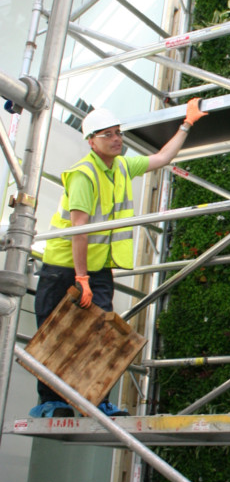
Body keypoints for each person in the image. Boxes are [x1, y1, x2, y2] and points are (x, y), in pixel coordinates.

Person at [29, 99, 207, 419]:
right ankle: (50, 402)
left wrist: (187, 123)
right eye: (107, 134)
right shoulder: (84, 174)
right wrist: (81, 278)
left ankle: (95, 400)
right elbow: (79, 232)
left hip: (95, 269)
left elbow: (162, 158)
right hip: (64, 267)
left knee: (103, 335)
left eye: (118, 133)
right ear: (91, 141)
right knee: (56, 333)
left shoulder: (123, 167)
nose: (116, 139)